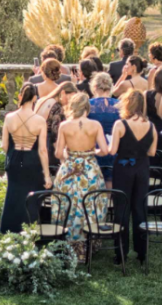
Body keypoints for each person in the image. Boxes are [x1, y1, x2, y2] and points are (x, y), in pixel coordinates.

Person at [53, 92, 108, 260]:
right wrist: (92, 151)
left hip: (69, 168)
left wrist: (69, 152)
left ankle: (69, 244)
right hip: (90, 169)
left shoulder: (64, 126)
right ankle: (88, 243)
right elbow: (105, 151)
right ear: (87, 107)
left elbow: (57, 153)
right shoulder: (95, 124)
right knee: (90, 204)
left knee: (68, 205)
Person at [108, 89, 156, 265]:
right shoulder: (151, 126)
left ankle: (120, 252)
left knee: (121, 208)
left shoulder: (120, 124)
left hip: (123, 169)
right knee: (140, 208)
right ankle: (142, 252)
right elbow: (151, 151)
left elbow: (112, 150)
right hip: (142, 169)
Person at [0, 84, 51, 233]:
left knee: (13, 196)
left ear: (21, 96)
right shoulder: (40, 120)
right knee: (31, 198)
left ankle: (9, 232)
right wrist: (47, 175)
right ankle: (29, 232)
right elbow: (42, 150)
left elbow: (4, 145)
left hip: (15, 159)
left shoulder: (9, 117)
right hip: (31, 160)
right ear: (35, 98)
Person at [34, 72, 77, 172]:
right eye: (70, 98)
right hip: (48, 147)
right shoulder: (57, 108)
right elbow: (55, 135)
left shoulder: (43, 100)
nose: (70, 102)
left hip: (35, 144)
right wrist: (62, 159)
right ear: (62, 93)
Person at [87, 72, 119, 187]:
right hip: (113, 148)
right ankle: (108, 204)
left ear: (94, 87)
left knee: (94, 185)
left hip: (94, 149)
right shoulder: (119, 104)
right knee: (110, 182)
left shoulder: (88, 104)